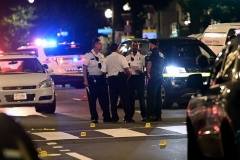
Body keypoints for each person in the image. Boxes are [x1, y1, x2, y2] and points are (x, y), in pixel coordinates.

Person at [101, 43, 134, 123]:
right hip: (121, 79)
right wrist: (128, 77)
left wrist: (108, 77)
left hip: (111, 80)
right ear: (117, 49)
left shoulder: (106, 59)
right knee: (125, 99)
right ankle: (128, 117)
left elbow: (103, 71)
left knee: (113, 100)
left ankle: (114, 118)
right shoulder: (121, 57)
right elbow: (126, 69)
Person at [83, 38, 112, 123]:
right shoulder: (88, 55)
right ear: (95, 44)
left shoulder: (101, 56)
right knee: (92, 100)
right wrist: (85, 80)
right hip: (92, 79)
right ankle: (94, 117)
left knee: (104, 99)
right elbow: (84, 68)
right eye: (100, 44)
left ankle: (106, 116)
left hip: (101, 79)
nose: (101, 45)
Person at [126, 42, 147, 121]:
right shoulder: (127, 57)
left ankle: (144, 115)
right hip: (131, 78)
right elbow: (125, 68)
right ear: (131, 47)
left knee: (141, 97)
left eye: (136, 46)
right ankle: (130, 116)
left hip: (139, 78)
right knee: (130, 97)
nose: (135, 47)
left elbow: (144, 68)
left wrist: (141, 71)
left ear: (138, 47)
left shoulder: (142, 57)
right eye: (133, 46)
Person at [146, 39, 165, 122]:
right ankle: (158, 115)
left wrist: (148, 73)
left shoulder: (153, 52)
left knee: (151, 96)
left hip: (153, 76)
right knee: (158, 97)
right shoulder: (161, 54)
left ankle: (151, 115)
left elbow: (149, 63)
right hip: (160, 76)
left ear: (152, 44)